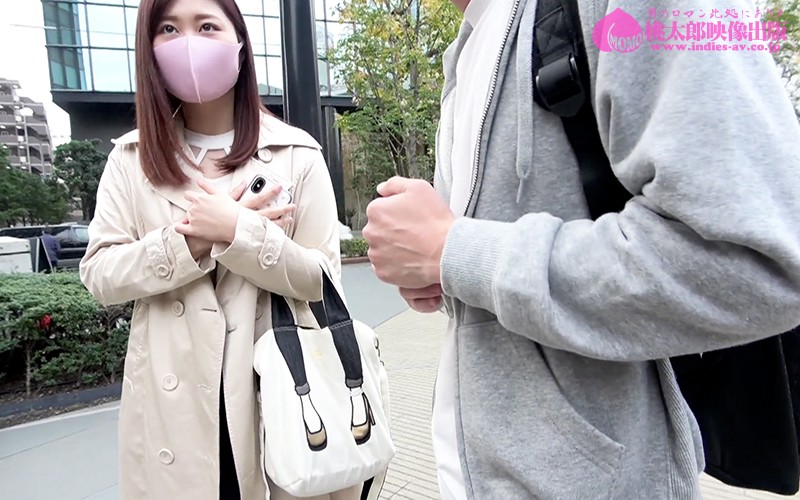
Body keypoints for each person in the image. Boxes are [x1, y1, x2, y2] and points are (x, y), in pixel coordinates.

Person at [362, 0, 800, 497]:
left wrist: (457, 252)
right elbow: (481, 256)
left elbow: (760, 261)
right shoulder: (467, 46)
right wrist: (436, 268)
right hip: (470, 477)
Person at [79, 0, 354, 498]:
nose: (189, 43)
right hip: (173, 413)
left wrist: (238, 232)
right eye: (169, 29)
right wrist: (193, 239)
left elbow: (323, 280)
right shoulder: (130, 158)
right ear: (149, 48)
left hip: (277, 399)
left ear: (239, 43)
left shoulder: (296, 154)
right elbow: (100, 273)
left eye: (207, 26)